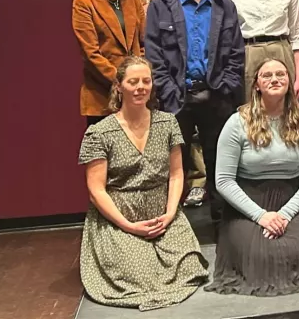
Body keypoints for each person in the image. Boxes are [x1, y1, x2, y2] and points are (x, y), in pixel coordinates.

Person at [205, 59, 299, 296]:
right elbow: (224, 180)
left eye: (281, 74)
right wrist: (261, 216)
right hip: (247, 205)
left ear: (289, 81)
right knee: (261, 257)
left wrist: (286, 213)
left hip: (292, 202)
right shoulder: (236, 123)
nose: (274, 79)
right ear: (256, 85)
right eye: (267, 75)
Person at [78, 56, 207, 311]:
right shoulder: (100, 132)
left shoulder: (167, 123)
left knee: (190, 266)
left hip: (162, 214)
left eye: (146, 81)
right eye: (133, 82)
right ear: (119, 86)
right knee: (137, 275)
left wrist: (170, 214)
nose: (140, 87)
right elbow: (96, 190)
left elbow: (176, 174)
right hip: (120, 219)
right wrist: (128, 225)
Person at [145, 0, 245, 211]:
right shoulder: (160, 5)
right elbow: (154, 55)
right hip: (176, 98)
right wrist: (167, 90)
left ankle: (223, 223)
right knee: (172, 167)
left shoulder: (224, 5)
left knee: (221, 166)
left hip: (217, 96)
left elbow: (236, 52)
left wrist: (226, 87)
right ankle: (170, 223)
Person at [72, 0, 146, 125]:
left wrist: (137, 78)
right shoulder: (83, 3)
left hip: (135, 93)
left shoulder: (133, 0)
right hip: (101, 95)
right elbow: (91, 53)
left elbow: (143, 44)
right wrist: (121, 80)